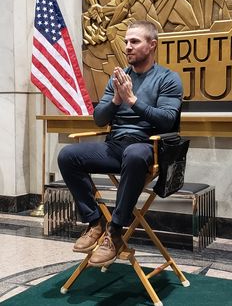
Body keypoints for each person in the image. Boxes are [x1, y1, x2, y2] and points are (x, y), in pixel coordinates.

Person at [58, 20, 183, 267]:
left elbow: (168, 121)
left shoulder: (168, 79)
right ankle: (95, 222)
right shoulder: (117, 78)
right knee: (67, 155)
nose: (127, 46)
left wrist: (133, 100)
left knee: (135, 154)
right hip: (115, 145)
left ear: (152, 45)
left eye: (134, 41)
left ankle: (114, 231)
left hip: (148, 147)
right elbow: (99, 119)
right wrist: (116, 99)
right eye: (126, 41)